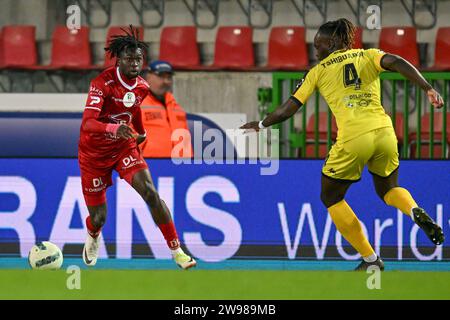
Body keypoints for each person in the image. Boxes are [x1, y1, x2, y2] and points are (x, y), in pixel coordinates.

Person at [241, 18, 445, 271]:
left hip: (353, 138)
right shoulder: (368, 55)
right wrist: (427, 88)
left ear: (334, 42)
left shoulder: (317, 71)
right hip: (385, 133)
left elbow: (288, 109)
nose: (316, 51)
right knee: (388, 189)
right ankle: (413, 209)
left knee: (330, 196)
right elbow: (397, 62)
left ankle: (371, 259)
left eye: (319, 45)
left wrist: (261, 124)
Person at [78, 25, 196, 269]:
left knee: (150, 193)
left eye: (139, 59)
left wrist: (140, 132)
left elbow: (133, 111)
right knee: (99, 217)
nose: (134, 63)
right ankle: (93, 234)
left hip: (123, 147)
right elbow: (88, 123)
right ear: (119, 59)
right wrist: (113, 129)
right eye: (129, 58)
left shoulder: (142, 86)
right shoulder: (102, 84)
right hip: (94, 155)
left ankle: (177, 251)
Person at [140, 60, 192, 158]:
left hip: (180, 167)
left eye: (169, 78)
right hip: (149, 165)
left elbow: (186, 143)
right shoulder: (137, 105)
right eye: (161, 77)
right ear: (148, 77)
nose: (166, 81)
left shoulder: (177, 109)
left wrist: (189, 164)